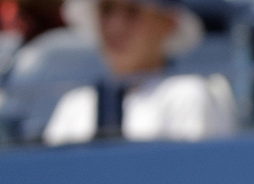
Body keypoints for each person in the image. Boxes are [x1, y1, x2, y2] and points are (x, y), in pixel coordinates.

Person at [42, 0, 235, 145]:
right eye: (106, 11)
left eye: (132, 12)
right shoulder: (74, 105)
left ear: (168, 23)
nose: (115, 26)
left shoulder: (187, 95)